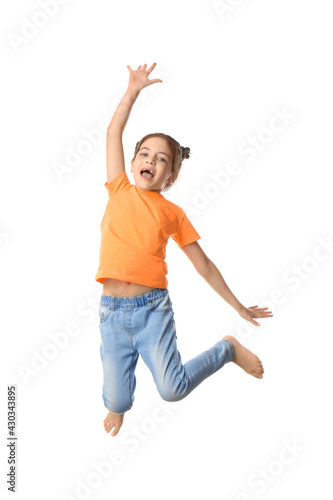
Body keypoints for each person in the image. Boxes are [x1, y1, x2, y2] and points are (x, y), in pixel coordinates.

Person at [95, 63, 273, 437]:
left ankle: (226, 349)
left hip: (151, 311)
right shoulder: (119, 188)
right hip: (111, 314)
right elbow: (114, 131)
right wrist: (133, 91)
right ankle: (120, 406)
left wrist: (238, 306)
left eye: (162, 160)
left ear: (170, 176)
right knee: (115, 401)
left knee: (172, 390)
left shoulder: (172, 213)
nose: (151, 162)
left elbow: (204, 266)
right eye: (145, 154)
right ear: (132, 163)